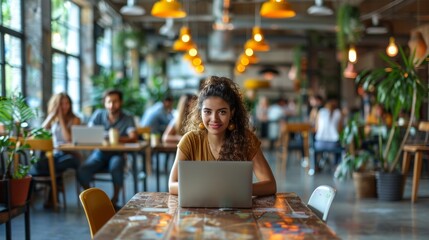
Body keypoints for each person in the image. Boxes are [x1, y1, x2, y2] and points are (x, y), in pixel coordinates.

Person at [168, 76, 276, 197]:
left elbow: (270, 185)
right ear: (200, 112)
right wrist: (208, 190)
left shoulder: (246, 139)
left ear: (232, 112)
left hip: (237, 212)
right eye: (207, 111)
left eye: (222, 112)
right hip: (199, 212)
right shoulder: (190, 140)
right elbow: (172, 185)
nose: (214, 119)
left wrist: (238, 190)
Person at [77, 89, 138, 207]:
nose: (112, 105)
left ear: (121, 102)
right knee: (82, 170)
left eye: (115, 102)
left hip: (117, 154)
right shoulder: (99, 114)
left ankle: (114, 200)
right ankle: (93, 199)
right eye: (109, 102)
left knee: (116, 167)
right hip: (99, 153)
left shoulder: (127, 118)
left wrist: (114, 138)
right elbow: (89, 132)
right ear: (104, 103)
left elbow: (133, 137)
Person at [30, 92, 81, 207]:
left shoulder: (75, 119)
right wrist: (51, 115)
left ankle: (53, 193)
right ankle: (55, 188)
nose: (64, 106)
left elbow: (68, 139)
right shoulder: (53, 119)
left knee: (66, 161)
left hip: (69, 154)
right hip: (54, 155)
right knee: (40, 164)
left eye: (67, 103)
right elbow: (38, 134)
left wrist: (61, 119)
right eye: (61, 104)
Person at [313, 96, 343, 169]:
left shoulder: (320, 112)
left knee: (313, 143)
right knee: (340, 144)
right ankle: (336, 165)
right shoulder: (338, 113)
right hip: (333, 144)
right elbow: (340, 130)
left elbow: (316, 129)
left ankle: (315, 166)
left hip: (319, 144)